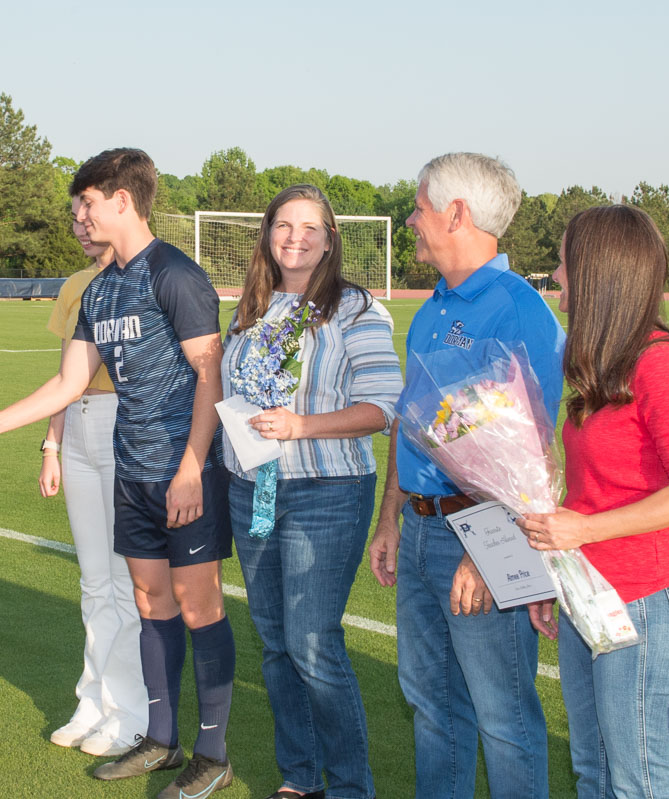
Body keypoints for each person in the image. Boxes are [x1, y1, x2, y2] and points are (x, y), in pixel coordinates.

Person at [0, 148, 236, 799]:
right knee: (150, 603)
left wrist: (193, 467)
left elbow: (210, 372)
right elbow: (68, 382)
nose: (78, 214)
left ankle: (215, 753)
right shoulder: (100, 287)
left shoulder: (174, 274)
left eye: (87, 201)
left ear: (123, 200)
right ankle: (161, 739)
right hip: (132, 473)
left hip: (184, 473)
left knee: (200, 608)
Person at [367, 153, 564, 799]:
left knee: (502, 715)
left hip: (482, 537)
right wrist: (391, 515)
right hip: (422, 531)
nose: (410, 219)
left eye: (419, 206)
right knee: (430, 703)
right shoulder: (432, 309)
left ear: (456, 213)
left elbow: (534, 451)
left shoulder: (520, 310)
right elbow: (409, 421)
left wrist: (492, 550)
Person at [518, 205, 669, 799]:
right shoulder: (600, 361)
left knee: (637, 780)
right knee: (595, 771)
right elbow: (590, 495)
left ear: (597, 273)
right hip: (594, 594)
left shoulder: (659, 364)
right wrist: (560, 576)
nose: (555, 275)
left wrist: (581, 533)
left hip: (648, 603)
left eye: (563, 262)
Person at [220, 185, 401, 799]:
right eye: (283, 226)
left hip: (326, 490)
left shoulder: (355, 310)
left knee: (313, 641)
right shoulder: (250, 308)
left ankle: (350, 786)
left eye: (310, 227)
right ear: (267, 234)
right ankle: (300, 779)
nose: (295, 238)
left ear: (330, 239)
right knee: (274, 642)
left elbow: (383, 408)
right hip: (253, 489)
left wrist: (302, 426)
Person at [39, 200, 147, 757]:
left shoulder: (145, 278)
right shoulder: (76, 285)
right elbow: (66, 377)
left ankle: (130, 711)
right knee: (93, 583)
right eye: (75, 221)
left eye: (89, 217)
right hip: (78, 431)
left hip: (120, 426)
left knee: (127, 585)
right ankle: (93, 699)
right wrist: (51, 445)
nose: (81, 228)